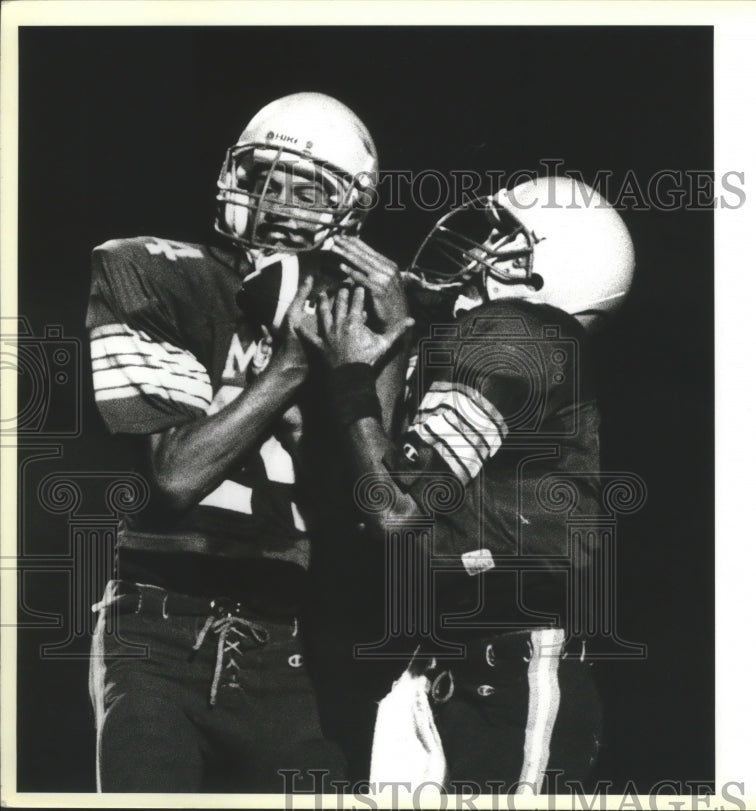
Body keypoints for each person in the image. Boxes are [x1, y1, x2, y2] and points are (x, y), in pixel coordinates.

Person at [85, 91, 404, 792]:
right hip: (160, 627)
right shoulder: (152, 268)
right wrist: (292, 366)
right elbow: (174, 475)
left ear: (348, 209)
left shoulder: (352, 308)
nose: (280, 200)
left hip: (285, 639)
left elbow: (371, 507)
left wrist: (376, 359)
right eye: (267, 175)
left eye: (309, 186)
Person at [297, 176, 635, 793]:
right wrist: (393, 339)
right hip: (447, 662)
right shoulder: (498, 338)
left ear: (548, 269)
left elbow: (394, 511)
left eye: (503, 241)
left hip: (506, 668)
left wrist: (349, 374)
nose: (475, 250)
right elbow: (399, 480)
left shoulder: (515, 332)